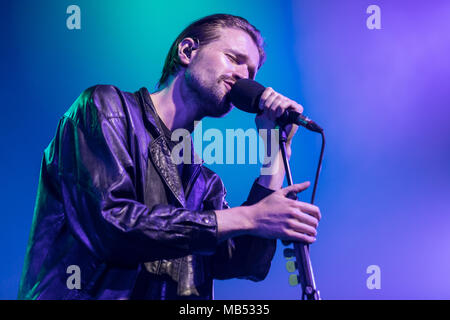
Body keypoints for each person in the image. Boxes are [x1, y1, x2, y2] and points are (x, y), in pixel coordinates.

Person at [18, 13, 321, 300]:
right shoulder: (106, 110)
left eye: (252, 72)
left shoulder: (203, 181)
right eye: (234, 59)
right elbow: (112, 222)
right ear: (187, 51)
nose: (244, 77)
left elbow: (243, 263)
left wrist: (274, 153)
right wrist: (247, 216)